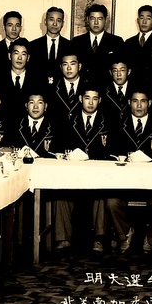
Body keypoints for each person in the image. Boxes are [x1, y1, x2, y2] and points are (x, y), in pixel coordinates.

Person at [54, 81, 112, 253]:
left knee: (102, 192)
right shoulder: (68, 120)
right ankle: (63, 238)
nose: (91, 102)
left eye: (95, 98)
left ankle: (99, 239)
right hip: (73, 175)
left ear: (100, 100)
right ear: (80, 99)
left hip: (98, 175)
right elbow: (59, 147)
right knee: (60, 192)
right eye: (87, 98)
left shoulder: (108, 121)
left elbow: (112, 151)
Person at [107, 87, 152, 254]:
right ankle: (125, 234)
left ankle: (150, 238)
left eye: (143, 101)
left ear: (149, 103)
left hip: (151, 184)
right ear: (129, 103)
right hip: (124, 183)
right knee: (111, 202)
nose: (139, 106)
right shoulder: (119, 124)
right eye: (135, 101)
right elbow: (111, 152)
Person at [70, 4, 124, 82]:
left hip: (107, 86)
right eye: (93, 18)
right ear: (87, 20)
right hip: (83, 86)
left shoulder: (116, 41)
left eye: (99, 19)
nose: (96, 22)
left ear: (105, 20)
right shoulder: (77, 42)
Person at [123, 5, 152, 84]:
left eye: (148, 18)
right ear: (137, 21)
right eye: (141, 18)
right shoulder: (129, 42)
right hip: (133, 86)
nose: (144, 22)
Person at [7, 89, 57, 158]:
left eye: (40, 102)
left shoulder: (55, 127)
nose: (35, 106)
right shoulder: (14, 125)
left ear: (45, 106)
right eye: (31, 102)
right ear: (26, 106)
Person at [0, 38, 32, 123]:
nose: (19, 58)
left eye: (23, 54)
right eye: (16, 53)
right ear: (9, 56)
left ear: (28, 58)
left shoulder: (36, 80)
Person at [29, 7, 73, 83]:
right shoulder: (33, 46)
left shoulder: (70, 46)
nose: (55, 24)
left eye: (58, 21)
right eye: (51, 20)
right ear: (45, 21)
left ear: (62, 24)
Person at [46, 51, 83, 125]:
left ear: (79, 66)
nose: (69, 68)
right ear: (61, 67)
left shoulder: (88, 86)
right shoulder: (52, 88)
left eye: (72, 64)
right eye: (65, 64)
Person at [100, 58, 133, 127]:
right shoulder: (102, 91)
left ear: (129, 72)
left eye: (122, 70)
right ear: (110, 72)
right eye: (115, 71)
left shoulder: (137, 90)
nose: (118, 74)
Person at [0, 11, 23, 75]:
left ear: (21, 28)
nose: (14, 29)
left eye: (17, 25)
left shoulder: (29, 48)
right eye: (10, 25)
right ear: (4, 27)